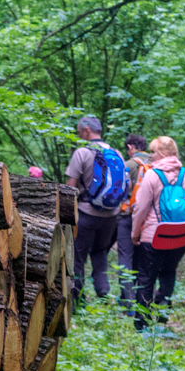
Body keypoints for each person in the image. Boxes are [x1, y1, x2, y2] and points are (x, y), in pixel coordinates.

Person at [131, 136, 185, 331]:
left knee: (146, 277)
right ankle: (162, 309)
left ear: (164, 153)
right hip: (181, 235)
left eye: (153, 152)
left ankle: (142, 322)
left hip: (154, 236)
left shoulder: (152, 175)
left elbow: (141, 208)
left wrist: (135, 233)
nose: (150, 156)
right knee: (169, 272)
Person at [65, 116, 121, 304]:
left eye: (80, 131)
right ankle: (103, 292)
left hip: (86, 213)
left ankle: (77, 299)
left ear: (87, 131)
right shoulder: (117, 153)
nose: (79, 135)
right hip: (111, 215)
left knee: (78, 255)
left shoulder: (82, 153)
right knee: (100, 251)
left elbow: (70, 186)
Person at [116, 133, 150, 309]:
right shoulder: (156, 164)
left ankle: (127, 301)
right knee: (142, 259)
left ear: (130, 147)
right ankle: (142, 298)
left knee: (125, 257)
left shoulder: (128, 165)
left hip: (128, 216)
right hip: (149, 219)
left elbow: (120, 190)